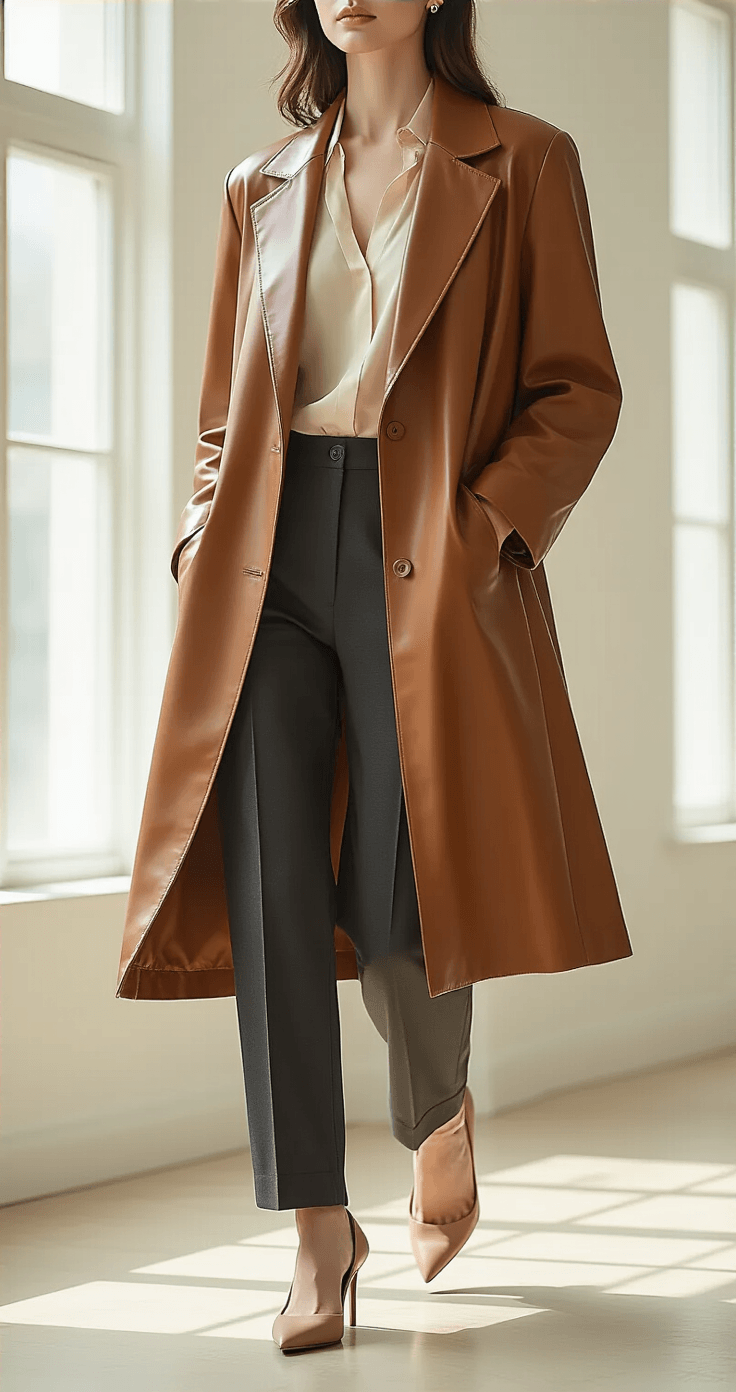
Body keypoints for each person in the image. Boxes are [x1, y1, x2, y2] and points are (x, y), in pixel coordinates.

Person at [116, 0, 633, 1355]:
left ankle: (436, 1109)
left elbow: (577, 389)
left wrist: (483, 529)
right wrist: (201, 521)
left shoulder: (524, 160)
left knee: (398, 890)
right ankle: (314, 1233)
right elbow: (230, 411)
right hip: (266, 562)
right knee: (282, 890)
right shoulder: (260, 183)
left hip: (424, 544)